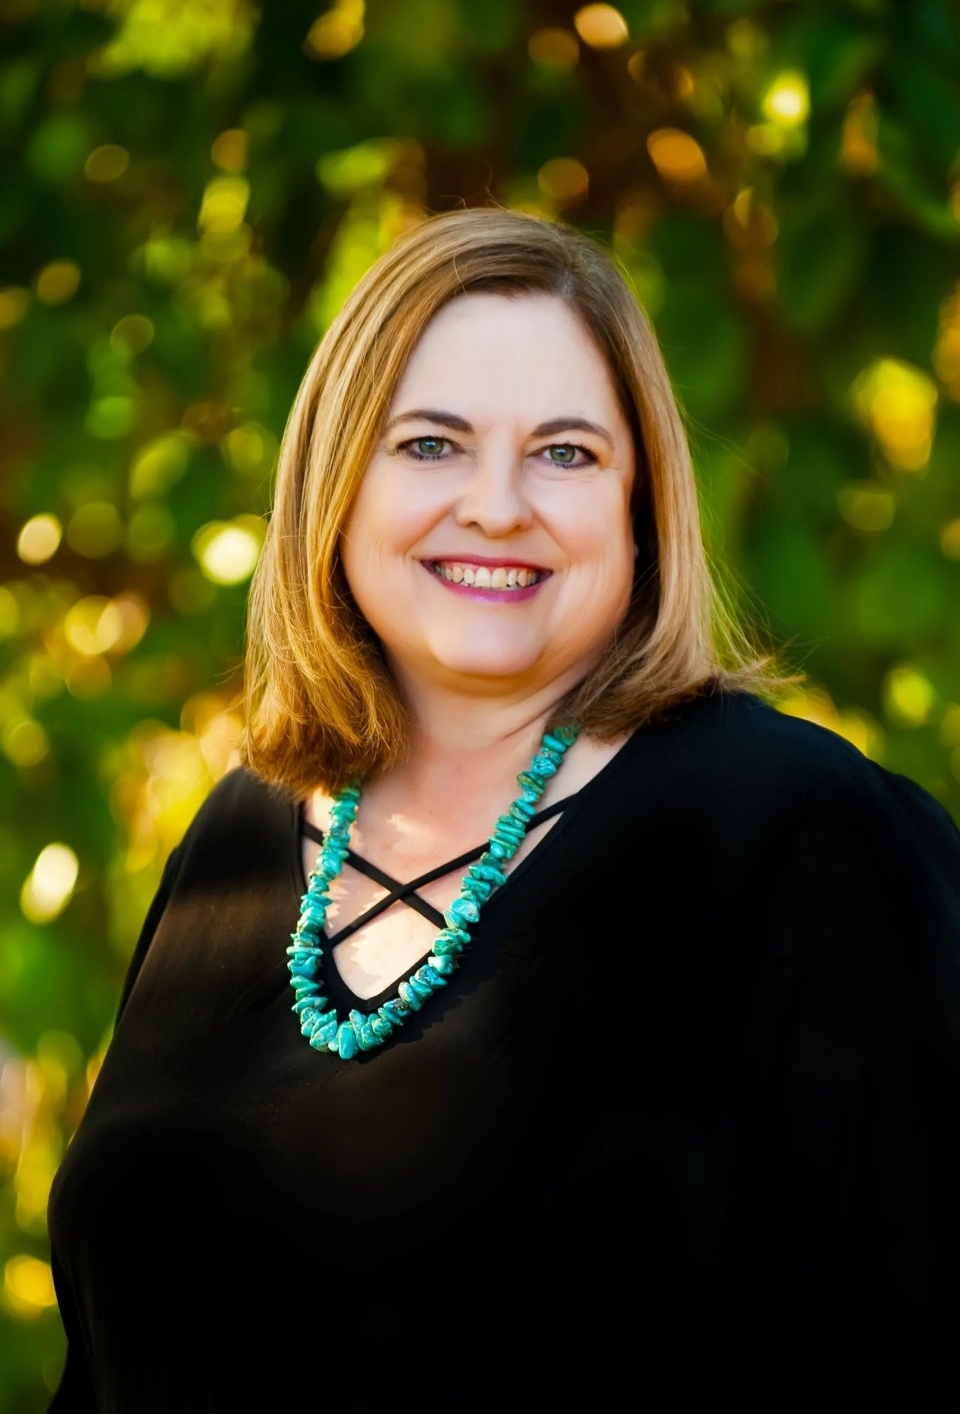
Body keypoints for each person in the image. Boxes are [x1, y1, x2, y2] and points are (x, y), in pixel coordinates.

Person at [46, 205, 960, 1413]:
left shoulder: (803, 835)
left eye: (566, 453)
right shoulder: (236, 840)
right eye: (430, 444)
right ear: (337, 482)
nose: (495, 505)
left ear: (638, 509)